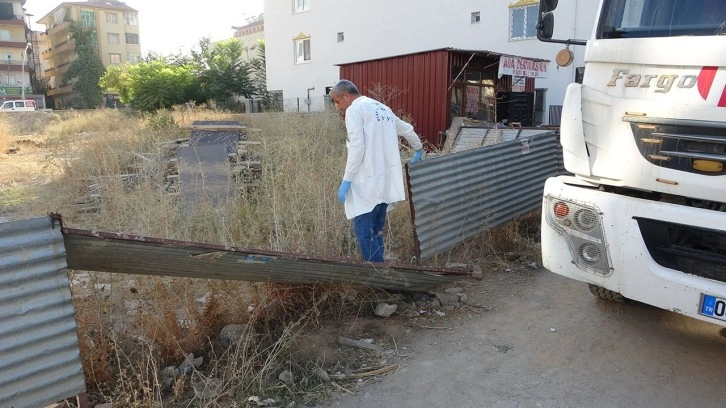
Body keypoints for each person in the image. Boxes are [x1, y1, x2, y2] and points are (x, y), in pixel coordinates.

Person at [330, 79, 424, 263]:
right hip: (386, 183)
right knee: (376, 230)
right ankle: (383, 270)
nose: (337, 106)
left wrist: (346, 180)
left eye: (337, 101)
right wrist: (418, 148)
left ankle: (377, 275)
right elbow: (406, 129)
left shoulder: (354, 110)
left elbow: (357, 148)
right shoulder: (381, 108)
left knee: (365, 232)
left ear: (347, 96)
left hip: (366, 183)